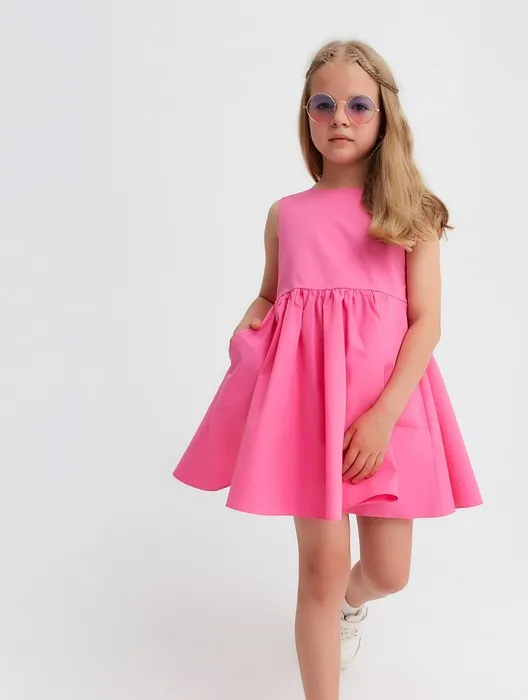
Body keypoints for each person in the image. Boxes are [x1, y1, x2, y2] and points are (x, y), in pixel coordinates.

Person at [173, 38, 482, 700]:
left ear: (383, 115)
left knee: (390, 572)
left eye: (357, 105)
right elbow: (271, 292)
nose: (339, 117)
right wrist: (248, 323)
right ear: (307, 117)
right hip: (309, 410)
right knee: (320, 568)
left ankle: (350, 606)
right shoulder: (286, 215)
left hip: (386, 410)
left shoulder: (413, 213)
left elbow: (426, 322)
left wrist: (382, 418)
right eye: (324, 104)